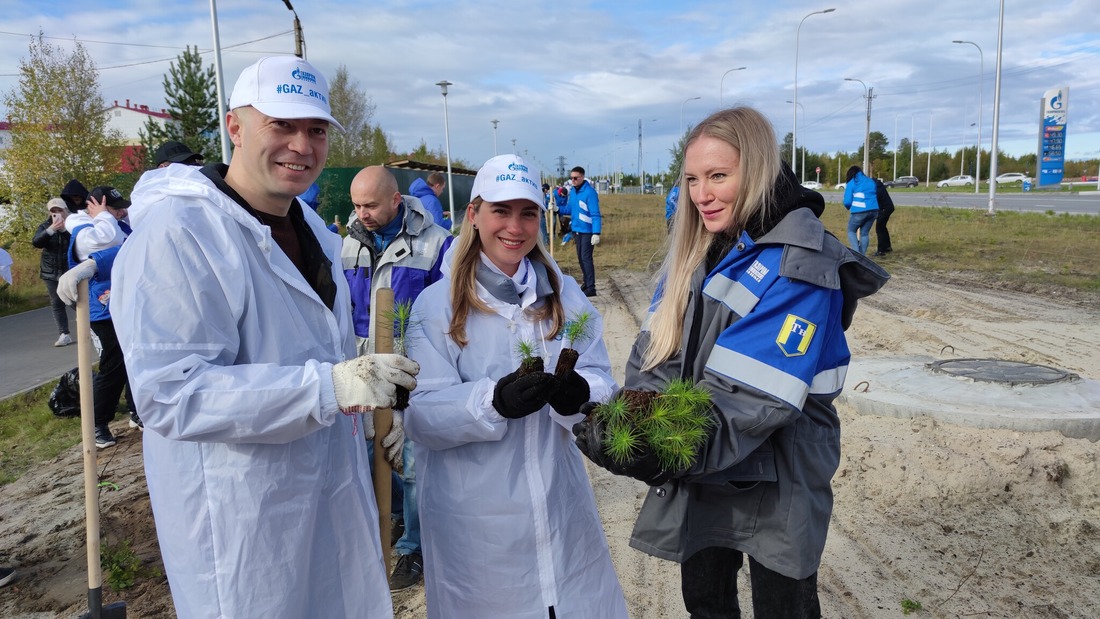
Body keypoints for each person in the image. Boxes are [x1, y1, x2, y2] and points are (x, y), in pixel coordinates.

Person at [108, 55, 418, 619]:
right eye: (282, 125)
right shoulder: (179, 237)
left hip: (326, 496)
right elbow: (171, 394)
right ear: (235, 128)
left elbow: (320, 355)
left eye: (316, 130)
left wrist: (375, 406)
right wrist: (331, 388)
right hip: (242, 525)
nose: (302, 145)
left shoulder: (316, 233)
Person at [572, 107, 889, 618]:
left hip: (779, 467)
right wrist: (637, 417)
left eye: (719, 176)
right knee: (704, 598)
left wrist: (666, 448)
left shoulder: (801, 263)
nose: (702, 194)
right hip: (705, 453)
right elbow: (659, 351)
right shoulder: (698, 248)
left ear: (759, 170)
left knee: (782, 605)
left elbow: (753, 399)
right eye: (693, 179)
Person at [404, 154, 628, 619]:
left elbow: (603, 377)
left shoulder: (562, 294)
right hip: (477, 524)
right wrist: (494, 402)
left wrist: (581, 394)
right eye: (500, 211)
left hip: (558, 507)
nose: (515, 226)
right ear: (474, 214)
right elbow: (421, 416)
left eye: (528, 213)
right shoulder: (436, 307)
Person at [341, 165, 453, 591]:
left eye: (370, 205)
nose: (361, 213)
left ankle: (413, 548)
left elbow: (444, 312)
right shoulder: (348, 243)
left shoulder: (436, 243)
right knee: (373, 454)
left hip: (412, 369)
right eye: (356, 205)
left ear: (395, 200)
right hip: (362, 371)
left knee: (411, 462)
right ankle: (396, 520)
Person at [64, 186, 135, 446]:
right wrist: (104, 216)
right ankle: (97, 424)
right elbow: (106, 241)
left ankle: (137, 412)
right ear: (96, 207)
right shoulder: (84, 231)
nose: (122, 211)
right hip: (101, 309)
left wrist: (109, 216)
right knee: (113, 364)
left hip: (125, 303)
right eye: (115, 207)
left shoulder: (117, 225)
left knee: (134, 358)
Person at [31, 198, 73, 346]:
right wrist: (51, 231)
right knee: (56, 302)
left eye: (59, 210)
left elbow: (80, 240)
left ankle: (90, 327)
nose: (56, 214)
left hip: (69, 269)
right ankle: (63, 333)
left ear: (66, 210)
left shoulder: (73, 223)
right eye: (53, 211)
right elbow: (36, 242)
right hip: (50, 270)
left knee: (75, 300)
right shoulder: (45, 226)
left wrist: (65, 231)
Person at [566, 166, 601, 296]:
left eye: (575, 178)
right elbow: (570, 209)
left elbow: (595, 214)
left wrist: (596, 232)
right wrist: (558, 209)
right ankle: (586, 283)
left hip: (587, 231)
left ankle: (591, 288)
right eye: (571, 178)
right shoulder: (573, 192)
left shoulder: (590, 193)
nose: (573, 180)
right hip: (577, 230)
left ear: (582, 177)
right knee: (581, 259)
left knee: (586, 258)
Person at [842, 165, 879, 255]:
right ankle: (862, 256)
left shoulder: (852, 182)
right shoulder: (870, 181)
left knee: (851, 231)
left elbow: (847, 201)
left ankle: (856, 254)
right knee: (865, 233)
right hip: (874, 210)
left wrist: (848, 207)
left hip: (859, 211)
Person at [873, 177, 895, 257]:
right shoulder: (879, 185)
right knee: (882, 228)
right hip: (888, 207)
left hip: (884, 209)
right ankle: (887, 247)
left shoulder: (876, 188)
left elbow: (874, 198)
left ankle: (881, 250)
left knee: (879, 229)